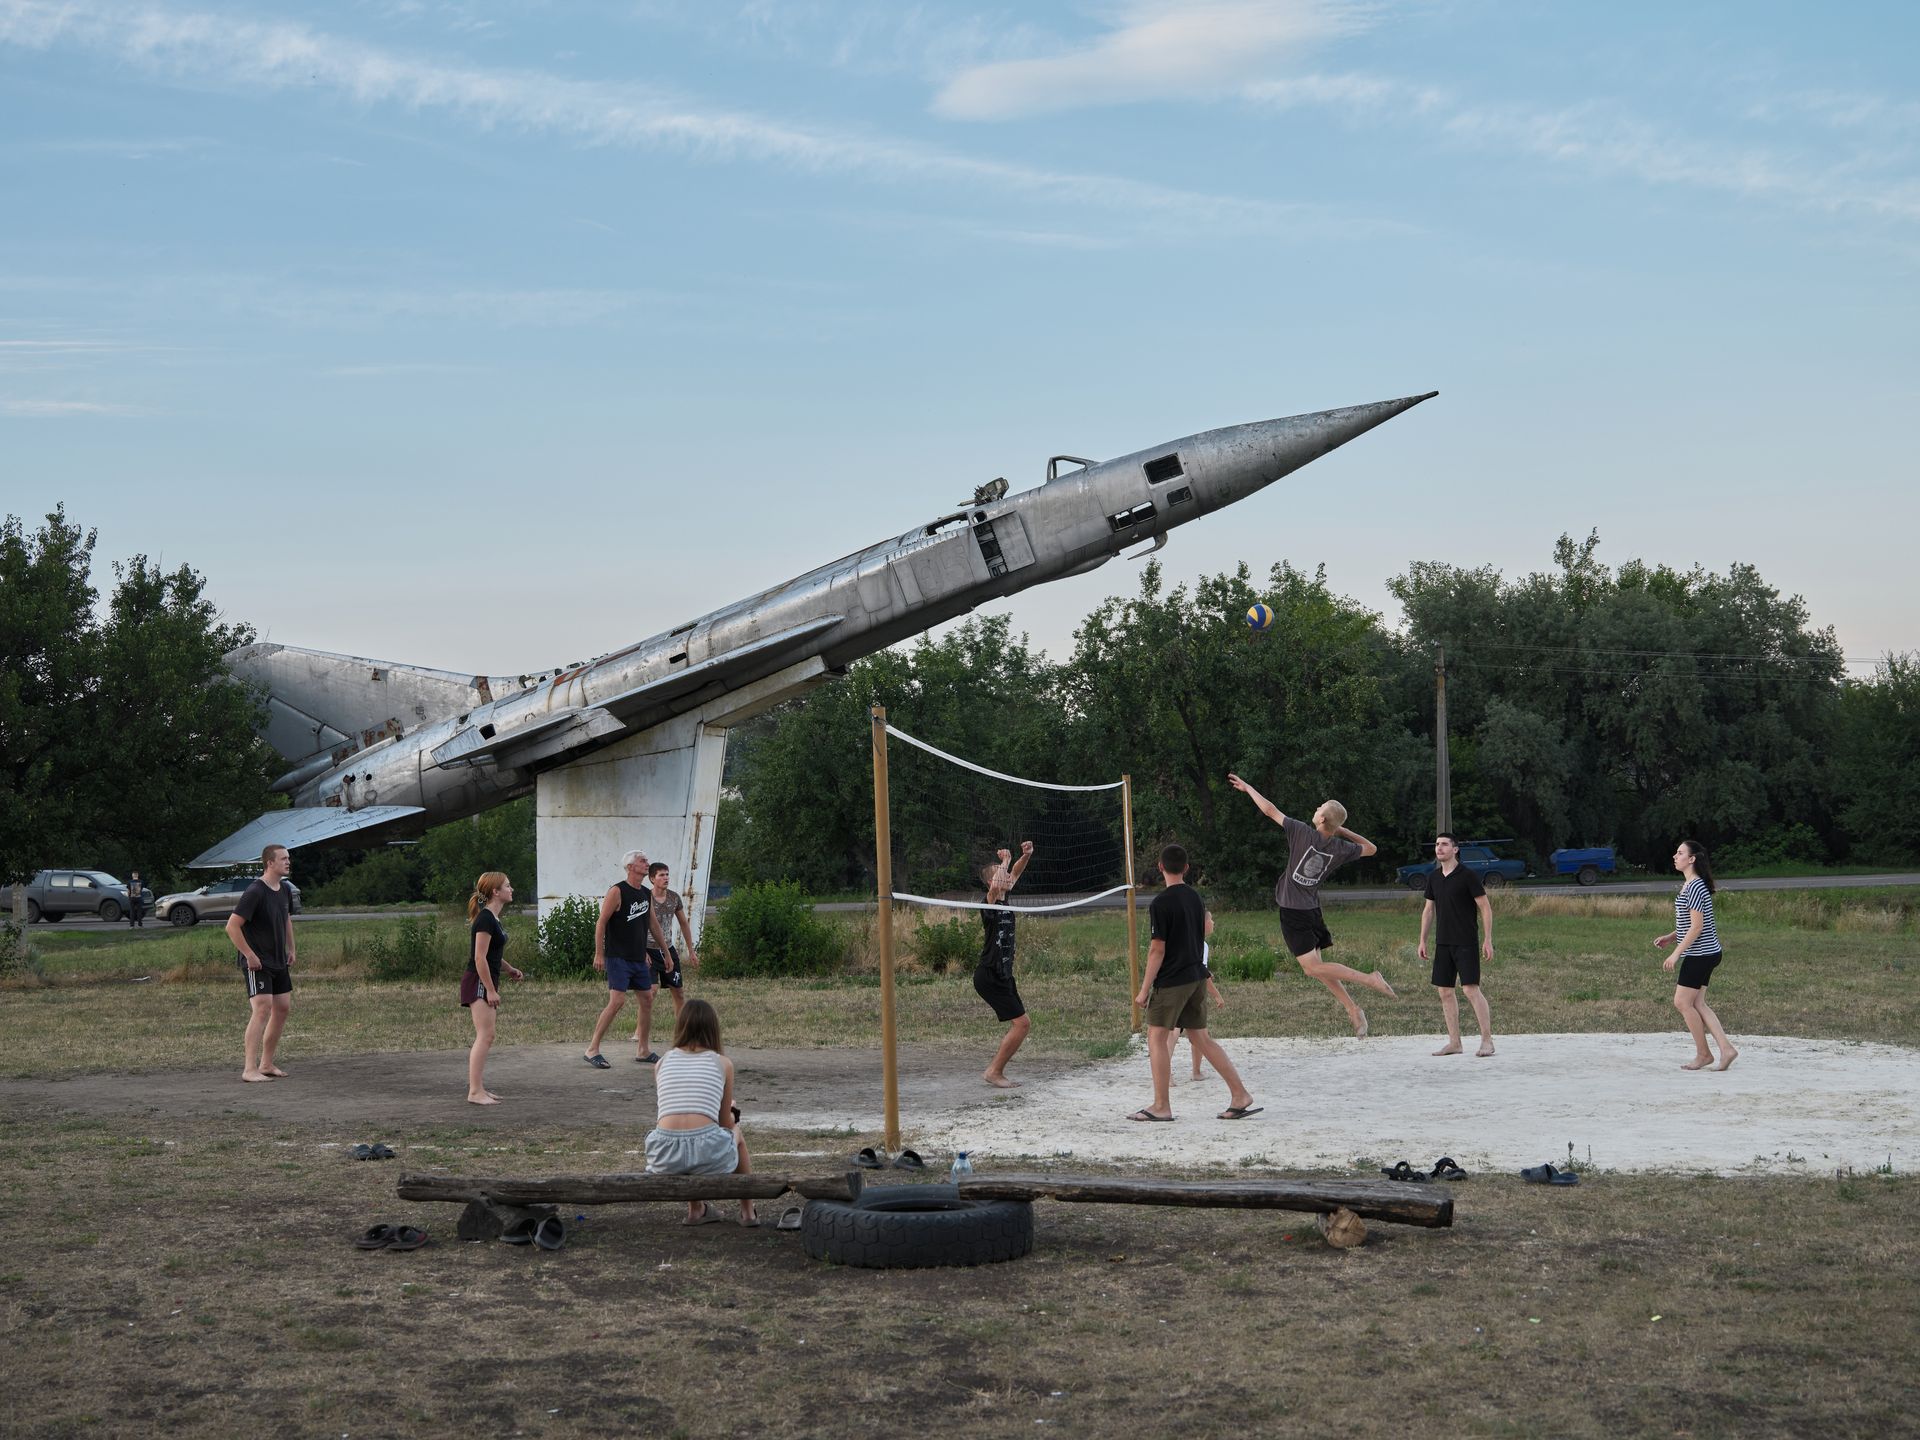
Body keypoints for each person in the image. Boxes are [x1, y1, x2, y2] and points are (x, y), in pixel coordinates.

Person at [1227, 772, 1395, 1036]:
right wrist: (1340, 829)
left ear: (1322, 819)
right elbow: (1371, 848)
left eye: (1320, 808)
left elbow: (1270, 810)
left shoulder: (1301, 831)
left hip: (1294, 912)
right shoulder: (1340, 847)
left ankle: (1369, 979)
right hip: (1311, 910)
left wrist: (1248, 788)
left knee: (1311, 969)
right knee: (1319, 968)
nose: (1315, 809)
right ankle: (1353, 1010)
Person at [1129, 844, 1258, 1123]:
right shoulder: (1195, 897)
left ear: (1160, 866)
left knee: (1156, 1038)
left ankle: (1161, 1106)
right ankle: (1240, 1095)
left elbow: (1157, 950)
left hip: (1173, 980)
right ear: (1186, 868)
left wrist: (1143, 990)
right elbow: (1198, 935)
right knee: (1201, 1038)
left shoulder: (1160, 903)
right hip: (1197, 976)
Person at [644, 999, 758, 1227]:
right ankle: (748, 1212)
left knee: (685, 1135)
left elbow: (677, 1106)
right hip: (706, 1150)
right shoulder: (723, 1063)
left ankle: (696, 1209)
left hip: (663, 1153)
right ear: (713, 1029)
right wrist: (732, 1115)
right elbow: (725, 1124)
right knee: (736, 1133)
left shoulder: (661, 1063)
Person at [1656, 839, 1738, 1072]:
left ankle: (1704, 1054)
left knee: (1682, 1002)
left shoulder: (1694, 886)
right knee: (1698, 1003)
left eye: (1680, 853)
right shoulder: (1692, 885)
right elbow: (1688, 924)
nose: (1675, 856)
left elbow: (1697, 927)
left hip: (1701, 954)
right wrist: (1671, 937)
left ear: (1691, 859)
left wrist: (1675, 954)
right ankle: (1727, 1049)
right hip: (1707, 952)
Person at [585, 851, 670, 1068]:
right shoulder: (617, 891)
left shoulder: (644, 893)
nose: (647, 863)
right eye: (642, 861)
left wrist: (665, 952)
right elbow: (601, 923)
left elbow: (653, 925)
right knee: (618, 1001)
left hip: (638, 958)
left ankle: (643, 1050)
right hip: (618, 957)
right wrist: (599, 953)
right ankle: (592, 1049)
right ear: (631, 866)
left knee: (647, 999)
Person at [1417, 833, 1495, 1057]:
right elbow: (1428, 910)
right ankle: (1454, 1043)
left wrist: (1488, 939)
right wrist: (1422, 939)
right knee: (1444, 992)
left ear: (1455, 849)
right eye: (1437, 845)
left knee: (1470, 990)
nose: (1439, 848)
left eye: (1444, 844)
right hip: (1443, 942)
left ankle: (1487, 1041)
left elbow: (1485, 907)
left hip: (1466, 941)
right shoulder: (1433, 877)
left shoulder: (1467, 875)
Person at [226, 844, 296, 1084]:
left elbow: (285, 918)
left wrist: (291, 948)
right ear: (270, 863)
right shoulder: (255, 891)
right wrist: (248, 954)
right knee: (262, 1008)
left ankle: (266, 1064)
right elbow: (232, 926)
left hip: (278, 960)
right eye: (284, 858)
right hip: (258, 963)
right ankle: (249, 1068)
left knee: (282, 1007)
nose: (288, 862)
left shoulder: (284, 889)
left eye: (288, 858)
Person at [461, 871, 525, 1105]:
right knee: (485, 1035)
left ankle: (479, 1089)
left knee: (488, 1035)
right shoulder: (485, 919)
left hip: (485, 979)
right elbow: (479, 958)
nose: (512, 889)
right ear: (495, 892)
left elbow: (492, 954)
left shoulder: (492, 918)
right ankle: (475, 1092)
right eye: (508, 886)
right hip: (478, 980)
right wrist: (489, 989)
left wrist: (508, 969)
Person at [975, 841, 1035, 1089]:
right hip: (989, 975)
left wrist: (1025, 856)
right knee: (1021, 1024)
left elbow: (1014, 875)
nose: (1007, 878)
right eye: (1002, 875)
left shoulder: (1005, 898)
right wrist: (1005, 861)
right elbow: (1000, 882)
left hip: (1003, 974)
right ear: (991, 883)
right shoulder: (987, 903)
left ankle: (995, 1070)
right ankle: (994, 1071)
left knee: (1023, 1024)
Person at [645, 860, 699, 1028]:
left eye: (667, 874)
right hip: (648, 949)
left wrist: (691, 950)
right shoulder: (645, 898)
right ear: (652, 878)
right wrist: (641, 951)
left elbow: (683, 923)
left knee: (678, 992)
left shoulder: (674, 898)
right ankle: (640, 1031)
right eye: (661, 875)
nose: (666, 878)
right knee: (650, 992)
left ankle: (682, 1029)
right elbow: (637, 926)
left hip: (668, 949)